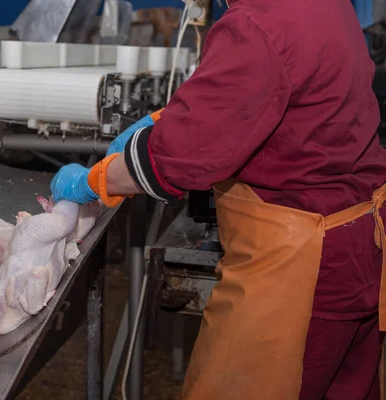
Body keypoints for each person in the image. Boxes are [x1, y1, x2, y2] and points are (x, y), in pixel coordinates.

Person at [50, 0, 386, 398]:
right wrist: (167, 121)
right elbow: (276, 93)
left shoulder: (257, 24)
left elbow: (178, 160)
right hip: (360, 237)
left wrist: (95, 179)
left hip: (301, 266)